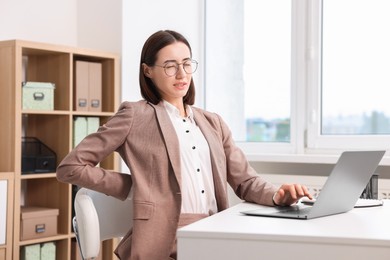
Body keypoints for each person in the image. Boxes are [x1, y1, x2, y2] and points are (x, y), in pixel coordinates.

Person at [57, 30, 312, 260]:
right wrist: (132, 185)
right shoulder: (135, 116)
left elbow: (245, 181)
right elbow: (71, 166)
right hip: (165, 240)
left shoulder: (213, 122)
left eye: (186, 64)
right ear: (148, 70)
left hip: (215, 233)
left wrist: (277, 195)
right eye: (170, 66)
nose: (181, 74)